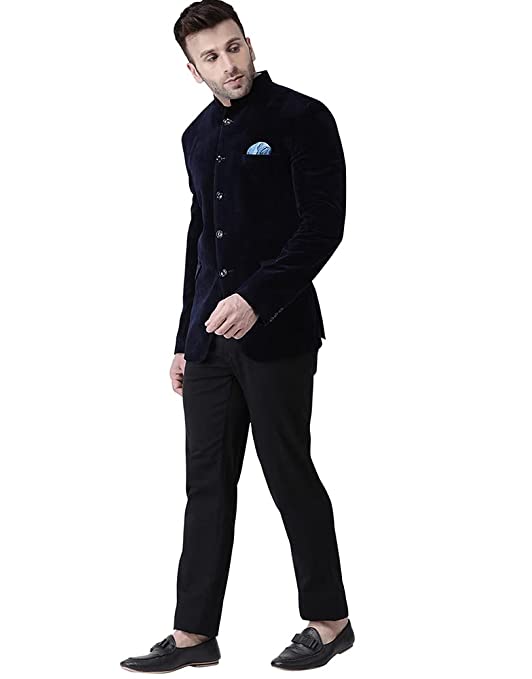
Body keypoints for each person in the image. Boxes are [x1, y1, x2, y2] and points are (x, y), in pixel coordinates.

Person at [120, 0, 353, 672]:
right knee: (206, 485)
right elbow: (201, 240)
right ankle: (193, 633)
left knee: (288, 473)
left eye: (234, 48)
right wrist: (183, 336)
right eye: (211, 57)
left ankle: (330, 621)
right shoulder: (195, 136)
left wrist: (257, 298)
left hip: (279, 331)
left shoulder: (303, 117)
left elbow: (323, 226)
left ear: (248, 44)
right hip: (209, 343)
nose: (228, 65)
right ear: (191, 69)